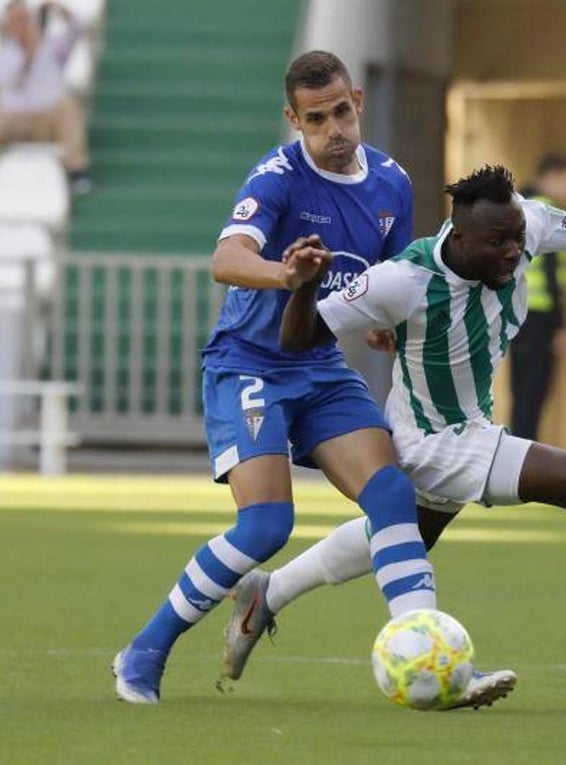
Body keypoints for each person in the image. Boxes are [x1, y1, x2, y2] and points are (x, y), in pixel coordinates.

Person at [219, 165, 566, 687]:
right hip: (432, 440)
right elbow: (300, 337)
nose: (512, 252)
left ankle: (269, 593)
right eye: (497, 242)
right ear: (459, 236)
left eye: (516, 239)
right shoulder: (403, 280)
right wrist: (305, 286)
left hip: (469, 422)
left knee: (403, 535)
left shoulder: (524, 225)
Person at [110, 51, 503, 708]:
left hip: (320, 366)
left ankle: (431, 653)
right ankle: (144, 650)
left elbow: (386, 276)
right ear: (294, 119)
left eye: (341, 112)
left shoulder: (392, 182)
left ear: (357, 99)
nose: (333, 129)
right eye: (315, 119)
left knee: (390, 495)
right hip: (250, 365)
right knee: (265, 526)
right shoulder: (277, 178)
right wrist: (285, 275)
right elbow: (226, 257)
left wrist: (383, 324)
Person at [509, 152, 566, 441]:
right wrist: (560, 325)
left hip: (516, 314)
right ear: (551, 176)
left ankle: (516, 447)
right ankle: (526, 450)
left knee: (520, 389)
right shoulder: (548, 212)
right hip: (541, 317)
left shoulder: (517, 207)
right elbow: (551, 273)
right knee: (535, 391)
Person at [0, 0, 90, 194]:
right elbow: (13, 79)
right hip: (14, 119)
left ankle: (78, 172)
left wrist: (59, 10)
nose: (22, 25)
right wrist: (29, 53)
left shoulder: (52, 46)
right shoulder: (5, 53)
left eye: (24, 19)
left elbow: (77, 31)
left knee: (68, 108)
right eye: (16, 20)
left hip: (48, 119)